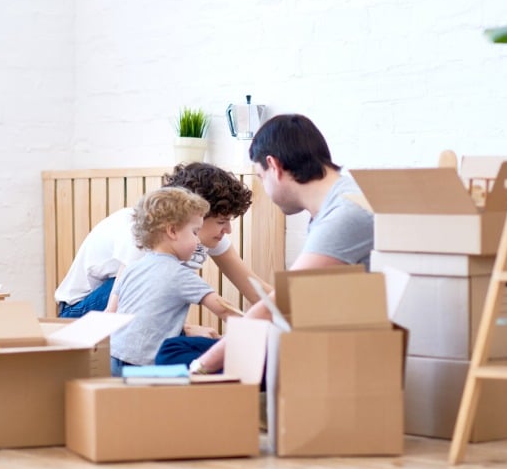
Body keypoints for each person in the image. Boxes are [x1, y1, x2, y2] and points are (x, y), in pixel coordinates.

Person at [156, 113, 375, 374]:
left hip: (327, 354)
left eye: (261, 177)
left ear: (274, 166)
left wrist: (203, 365)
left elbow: (281, 303)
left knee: (174, 355)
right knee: (176, 347)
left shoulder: (343, 214)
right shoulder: (342, 199)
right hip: (317, 339)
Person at [54, 163, 270, 324]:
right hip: (80, 313)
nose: (228, 230)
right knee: (155, 276)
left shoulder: (207, 237)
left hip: (129, 312)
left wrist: (293, 312)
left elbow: (254, 288)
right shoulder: (142, 230)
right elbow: (119, 308)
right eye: (222, 222)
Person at [105, 187, 239, 376]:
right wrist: (253, 329)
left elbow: (116, 313)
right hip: (146, 365)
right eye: (194, 232)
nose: (198, 241)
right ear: (172, 231)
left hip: (114, 358)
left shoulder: (132, 268)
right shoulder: (179, 274)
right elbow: (223, 308)